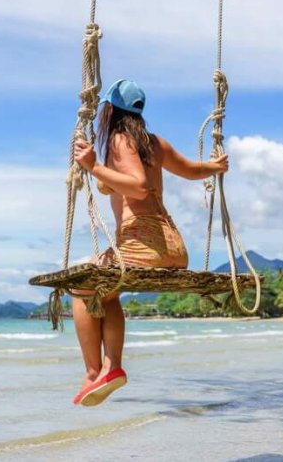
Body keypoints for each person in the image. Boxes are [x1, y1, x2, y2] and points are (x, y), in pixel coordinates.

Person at [70, 79, 229, 407]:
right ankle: (112, 368)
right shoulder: (154, 144)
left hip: (143, 244)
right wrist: (215, 167)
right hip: (174, 248)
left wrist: (94, 166)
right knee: (107, 293)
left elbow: (139, 186)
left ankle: (92, 371)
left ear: (109, 110)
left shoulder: (118, 140)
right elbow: (190, 170)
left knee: (82, 283)